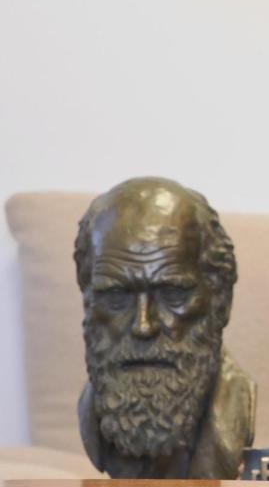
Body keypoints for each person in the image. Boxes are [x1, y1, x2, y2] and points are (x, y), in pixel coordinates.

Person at [75, 177, 255, 479]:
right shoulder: (92, 410)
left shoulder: (236, 409)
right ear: (89, 301)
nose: (143, 326)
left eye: (172, 295)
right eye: (117, 298)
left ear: (221, 301)